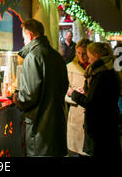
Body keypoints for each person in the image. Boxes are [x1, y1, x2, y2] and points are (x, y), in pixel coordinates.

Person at [12, 19, 69, 156]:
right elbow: (64, 86)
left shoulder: (33, 57)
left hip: (40, 129)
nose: (24, 42)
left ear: (30, 36)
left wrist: (16, 97)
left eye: (24, 38)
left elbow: (28, 96)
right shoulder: (56, 56)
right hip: (57, 125)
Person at [67, 42, 122, 156]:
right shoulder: (108, 68)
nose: (86, 58)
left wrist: (74, 94)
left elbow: (92, 103)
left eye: (87, 55)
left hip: (100, 126)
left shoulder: (101, 73)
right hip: (104, 124)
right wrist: (87, 92)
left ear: (95, 55)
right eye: (79, 53)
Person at [65, 38, 92, 156]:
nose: (81, 56)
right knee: (77, 151)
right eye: (79, 53)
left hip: (91, 115)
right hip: (76, 113)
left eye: (84, 53)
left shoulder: (94, 68)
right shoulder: (70, 68)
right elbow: (64, 90)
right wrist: (73, 95)